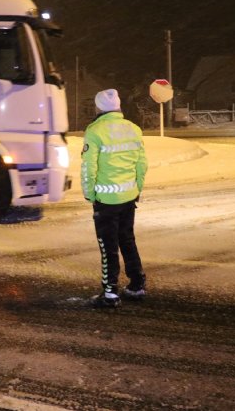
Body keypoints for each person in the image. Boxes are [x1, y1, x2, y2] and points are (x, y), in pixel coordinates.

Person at [81, 89, 148, 308]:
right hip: (129, 196)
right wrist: (137, 187)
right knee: (127, 239)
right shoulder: (133, 129)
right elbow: (142, 164)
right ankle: (137, 284)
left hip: (106, 200)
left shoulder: (95, 131)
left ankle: (110, 292)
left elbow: (89, 167)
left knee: (108, 246)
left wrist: (90, 193)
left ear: (98, 108)